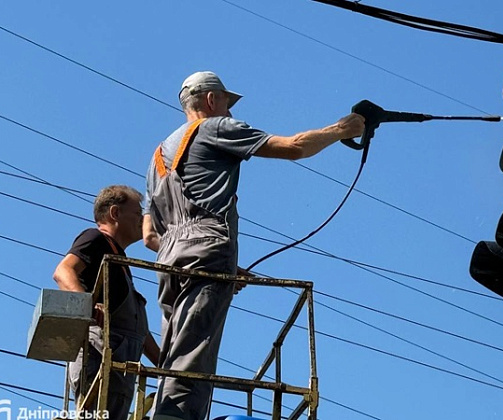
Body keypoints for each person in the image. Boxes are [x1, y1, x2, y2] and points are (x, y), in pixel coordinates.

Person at [142, 70, 364, 420]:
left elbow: (149, 235)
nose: (229, 112)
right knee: (194, 357)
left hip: (169, 260)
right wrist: (342, 130)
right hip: (207, 247)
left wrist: (205, 258)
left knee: (175, 353)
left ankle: (165, 413)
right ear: (212, 100)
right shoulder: (216, 128)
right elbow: (294, 147)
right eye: (226, 104)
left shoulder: (157, 159)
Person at [53, 185, 160, 419]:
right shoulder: (95, 238)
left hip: (119, 369)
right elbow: (63, 271)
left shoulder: (118, 261)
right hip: (100, 361)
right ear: (115, 213)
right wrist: (88, 304)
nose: (141, 219)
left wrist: (164, 365)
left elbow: (137, 331)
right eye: (136, 213)